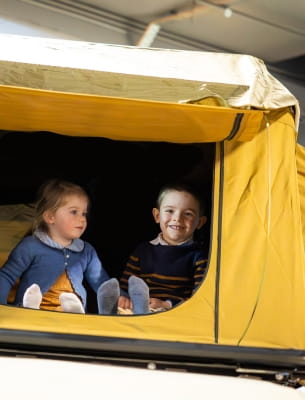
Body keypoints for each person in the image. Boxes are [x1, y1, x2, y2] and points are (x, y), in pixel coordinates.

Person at [0, 178, 115, 314]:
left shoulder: (86, 250)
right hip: (32, 313)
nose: (83, 218)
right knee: (31, 303)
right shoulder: (31, 245)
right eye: (74, 212)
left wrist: (122, 297)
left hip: (67, 313)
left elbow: (101, 282)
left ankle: (74, 312)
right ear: (50, 217)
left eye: (84, 213)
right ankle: (30, 308)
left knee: (73, 307)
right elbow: (7, 276)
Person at [98, 182, 208, 314]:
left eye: (188, 214)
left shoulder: (199, 257)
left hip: (173, 312)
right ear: (157, 216)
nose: (177, 218)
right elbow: (127, 284)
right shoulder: (142, 251)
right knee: (122, 308)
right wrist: (124, 298)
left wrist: (167, 304)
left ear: (200, 222)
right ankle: (107, 309)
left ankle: (141, 309)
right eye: (170, 211)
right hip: (136, 308)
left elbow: (200, 297)